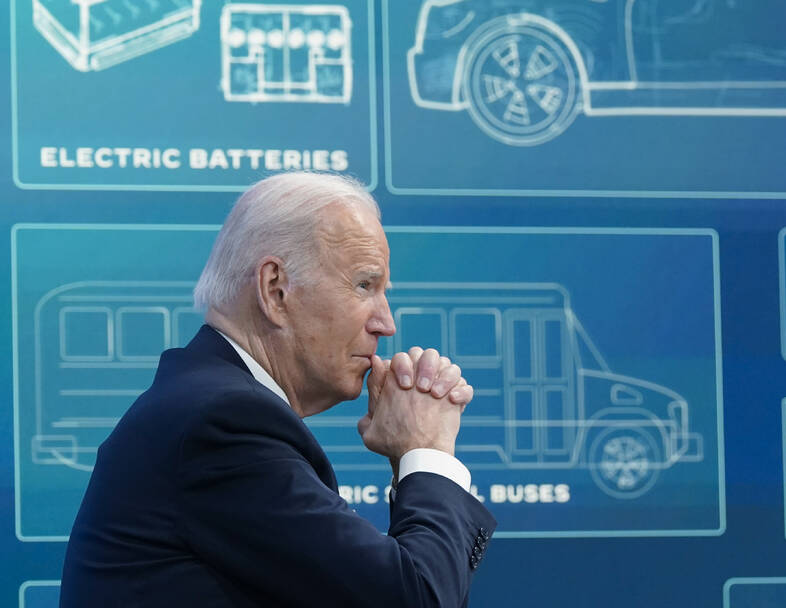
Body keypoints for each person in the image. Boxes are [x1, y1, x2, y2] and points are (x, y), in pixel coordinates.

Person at [60, 172, 496, 607]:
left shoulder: (207, 406)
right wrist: (428, 451)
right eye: (365, 285)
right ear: (275, 289)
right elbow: (413, 599)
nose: (386, 323)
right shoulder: (223, 424)